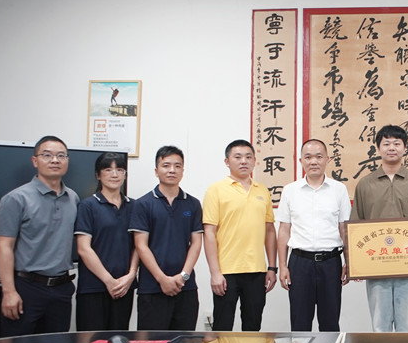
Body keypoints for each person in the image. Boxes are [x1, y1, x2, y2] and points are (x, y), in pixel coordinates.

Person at [0, 135, 79, 337]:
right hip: (27, 288)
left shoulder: (73, 198)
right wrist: (9, 292)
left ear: (67, 161)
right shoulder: (16, 199)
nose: (55, 160)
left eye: (61, 156)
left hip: (62, 288)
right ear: (35, 161)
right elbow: (4, 247)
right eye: (47, 155)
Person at [351, 124, 408, 332]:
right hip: (376, 266)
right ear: (378, 148)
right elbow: (357, 223)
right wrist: (355, 263)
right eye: (386, 144)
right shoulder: (365, 184)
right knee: (380, 324)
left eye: (397, 143)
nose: (392, 148)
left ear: (405, 148)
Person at [276, 139, 351, 331]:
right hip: (300, 263)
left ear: (327, 159)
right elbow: (284, 230)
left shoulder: (339, 189)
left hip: (331, 263)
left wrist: (348, 262)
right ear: (301, 160)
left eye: (318, 156)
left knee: (330, 323)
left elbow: (344, 228)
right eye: (308, 157)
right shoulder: (290, 190)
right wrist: (282, 266)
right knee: (300, 323)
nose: (313, 161)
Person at [203, 139, 277, 331]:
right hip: (226, 271)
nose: (244, 161)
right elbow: (209, 232)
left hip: (256, 271)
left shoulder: (262, 190)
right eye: (238, 157)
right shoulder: (216, 189)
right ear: (227, 161)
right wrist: (215, 273)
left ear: (254, 161)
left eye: (248, 157)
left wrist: (272, 267)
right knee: (222, 327)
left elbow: (269, 230)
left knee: (253, 326)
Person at [129, 145, 203, 331]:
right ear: (156, 171)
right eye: (166, 165)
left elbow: (196, 243)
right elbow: (141, 245)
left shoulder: (193, 204)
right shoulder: (143, 204)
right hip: (152, 287)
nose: (172, 170)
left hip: (185, 287)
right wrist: (162, 279)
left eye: (177, 166)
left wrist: (183, 276)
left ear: (183, 170)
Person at [74, 152, 138, 331]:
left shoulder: (134, 206)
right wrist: (109, 281)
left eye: (120, 169)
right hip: (94, 287)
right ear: (98, 175)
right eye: (108, 169)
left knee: (119, 341)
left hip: (124, 286)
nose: (114, 174)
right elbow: (83, 248)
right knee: (93, 342)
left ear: (125, 174)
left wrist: (131, 275)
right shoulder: (88, 206)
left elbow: (138, 245)